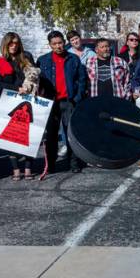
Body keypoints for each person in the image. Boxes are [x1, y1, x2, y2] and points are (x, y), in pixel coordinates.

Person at [38, 31, 87, 174]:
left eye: (60, 43)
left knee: (70, 133)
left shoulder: (73, 59)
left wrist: (77, 97)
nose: (58, 46)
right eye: (54, 44)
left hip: (68, 101)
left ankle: (73, 163)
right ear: (50, 45)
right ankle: (51, 165)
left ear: (64, 43)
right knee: (51, 135)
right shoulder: (43, 60)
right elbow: (37, 81)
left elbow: (82, 79)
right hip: (50, 102)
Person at [0, 32, 37, 180]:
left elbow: (35, 77)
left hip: (28, 101)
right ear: (5, 44)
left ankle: (28, 168)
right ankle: (16, 169)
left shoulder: (27, 58)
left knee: (29, 135)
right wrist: (17, 89)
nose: (14, 46)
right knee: (12, 137)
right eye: (11, 43)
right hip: (7, 103)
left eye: (16, 43)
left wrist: (31, 88)